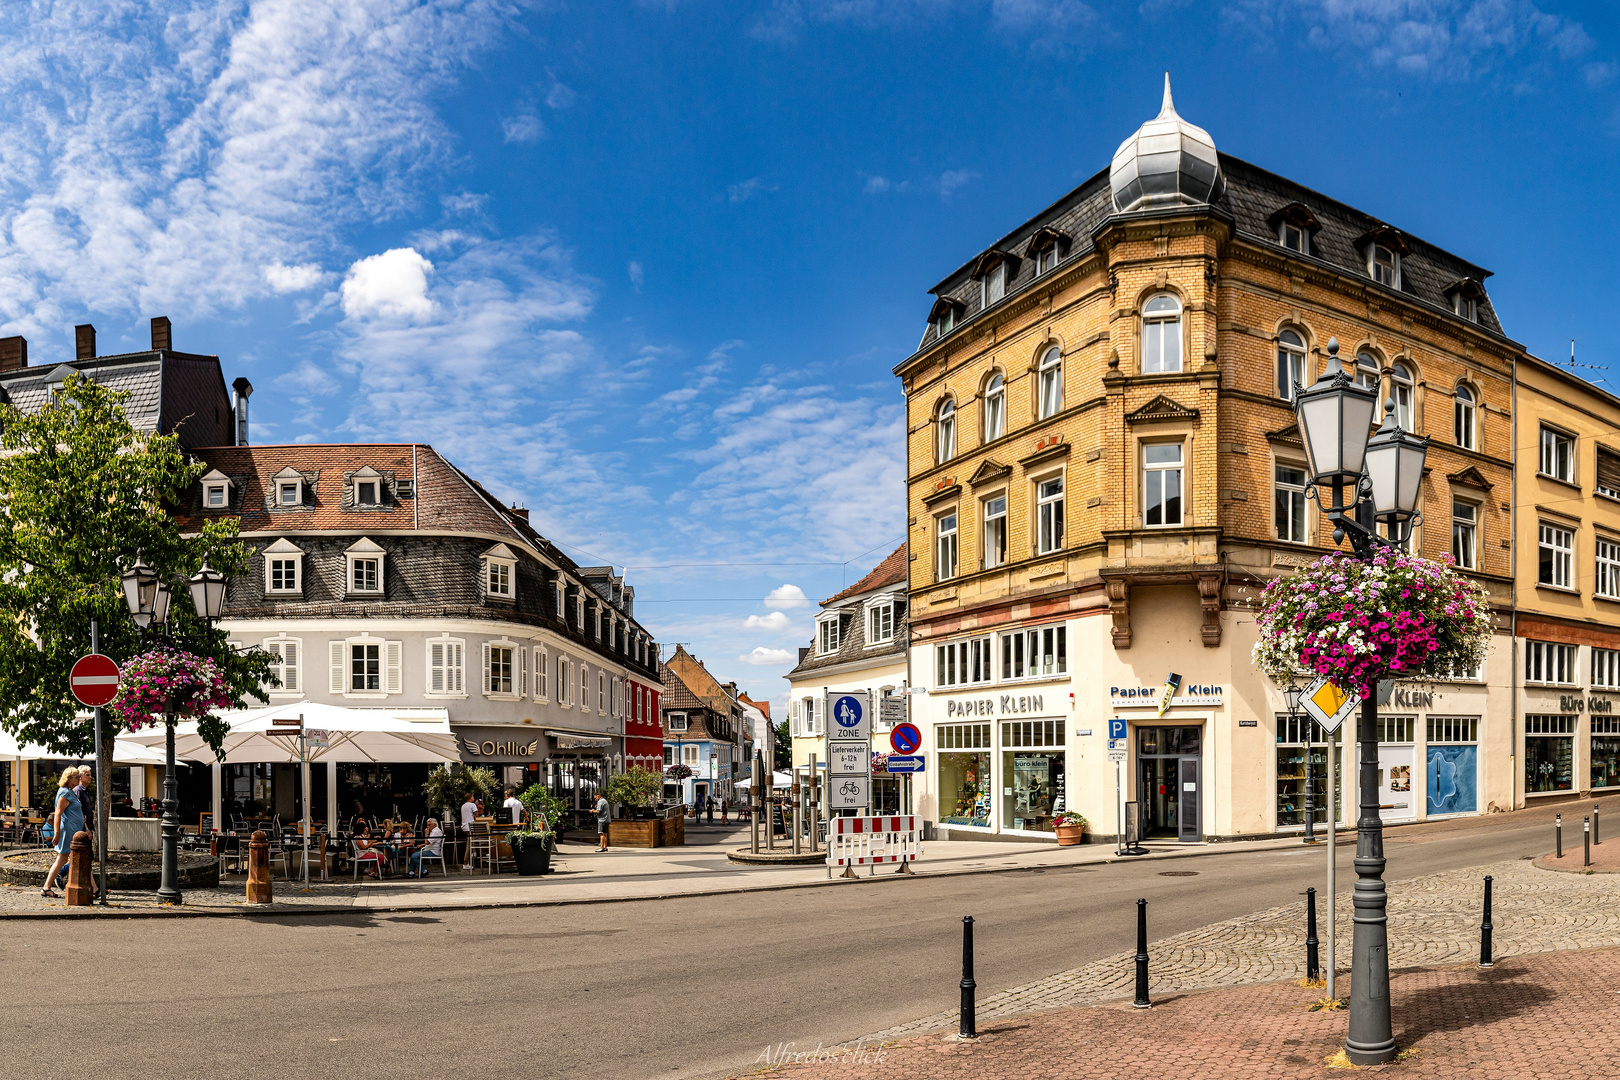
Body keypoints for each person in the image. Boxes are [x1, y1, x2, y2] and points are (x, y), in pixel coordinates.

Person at [40, 767, 83, 898]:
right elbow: (58, 813)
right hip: (70, 831)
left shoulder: (69, 792)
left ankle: (46, 887)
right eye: (76, 777)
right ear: (69, 779)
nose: (79, 779)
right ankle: (93, 889)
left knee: (68, 859)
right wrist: (57, 833)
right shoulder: (65, 793)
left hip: (74, 830)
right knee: (73, 858)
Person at [460, 793, 477, 870]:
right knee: (469, 844)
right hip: (470, 826)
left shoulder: (463, 806)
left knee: (471, 841)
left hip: (464, 826)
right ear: (470, 798)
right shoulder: (472, 805)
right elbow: (477, 815)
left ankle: (474, 853)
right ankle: (465, 862)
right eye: (473, 796)